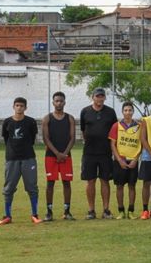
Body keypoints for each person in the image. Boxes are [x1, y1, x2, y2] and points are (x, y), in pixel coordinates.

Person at [0, 97, 41, 225]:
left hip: (28, 158)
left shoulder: (31, 122)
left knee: (32, 187)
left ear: (25, 108)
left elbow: (32, 139)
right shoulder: (7, 122)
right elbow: (7, 139)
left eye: (22, 106)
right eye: (17, 105)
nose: (19, 108)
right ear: (13, 107)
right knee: (9, 188)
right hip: (12, 159)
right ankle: (7, 216)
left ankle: (34, 215)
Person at [80, 88, 118, 220]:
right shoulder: (85, 111)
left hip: (105, 152)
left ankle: (106, 210)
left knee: (105, 180)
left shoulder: (110, 112)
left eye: (102, 96)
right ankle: (91, 210)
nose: (100, 99)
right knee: (90, 181)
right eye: (97, 96)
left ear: (104, 98)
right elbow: (84, 130)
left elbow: (114, 131)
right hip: (89, 153)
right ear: (93, 97)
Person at [42, 91, 76, 221]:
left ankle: (67, 211)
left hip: (66, 156)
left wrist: (64, 154)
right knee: (50, 183)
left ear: (64, 102)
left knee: (66, 182)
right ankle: (49, 212)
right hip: (51, 156)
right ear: (53, 102)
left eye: (61, 101)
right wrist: (57, 153)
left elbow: (72, 138)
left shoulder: (70, 118)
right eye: (56, 101)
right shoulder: (47, 118)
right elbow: (46, 138)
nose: (59, 103)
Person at [109, 101, 142, 219]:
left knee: (132, 186)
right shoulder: (116, 125)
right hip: (120, 161)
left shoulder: (139, 126)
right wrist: (119, 160)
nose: (128, 112)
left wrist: (135, 159)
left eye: (130, 110)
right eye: (125, 110)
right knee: (119, 186)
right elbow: (113, 144)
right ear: (122, 112)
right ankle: (121, 211)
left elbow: (141, 144)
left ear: (133, 112)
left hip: (133, 161)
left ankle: (131, 211)